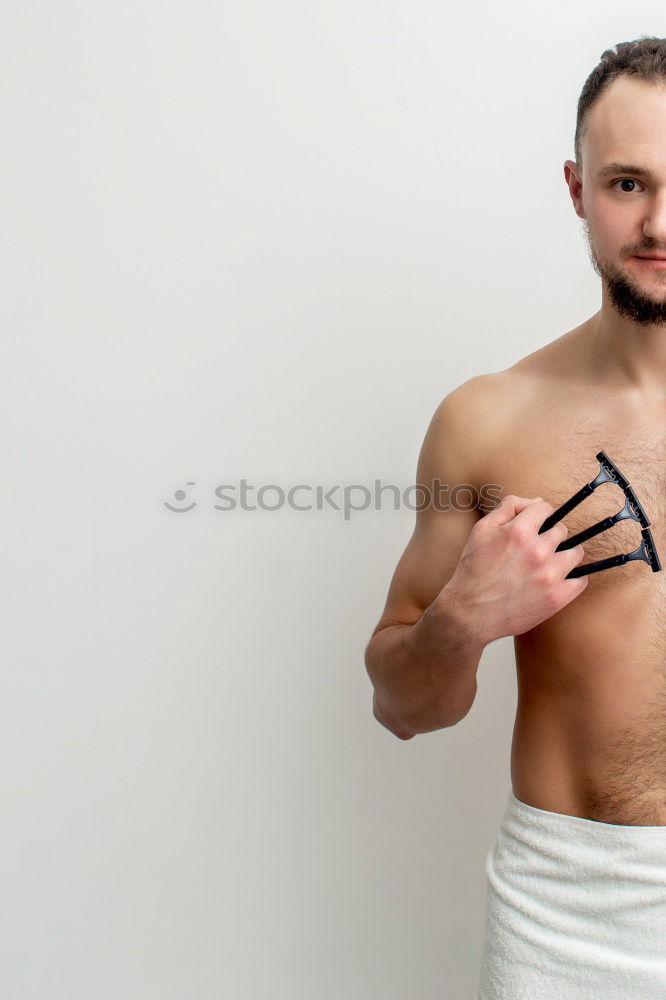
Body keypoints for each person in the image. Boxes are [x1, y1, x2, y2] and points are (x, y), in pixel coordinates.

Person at [364, 36, 666, 999]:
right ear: (577, 188)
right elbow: (403, 707)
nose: (660, 221)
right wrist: (459, 623)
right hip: (572, 920)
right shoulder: (487, 421)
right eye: (629, 183)